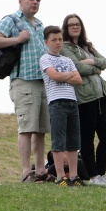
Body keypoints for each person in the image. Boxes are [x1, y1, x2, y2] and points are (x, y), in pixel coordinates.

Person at [0, 0, 51, 183]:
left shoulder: (40, 25)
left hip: (42, 82)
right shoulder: (12, 20)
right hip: (23, 81)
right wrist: (18, 39)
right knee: (26, 128)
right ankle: (26, 171)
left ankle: (40, 170)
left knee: (40, 129)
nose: (35, 2)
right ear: (20, 1)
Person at [61, 14, 106, 186]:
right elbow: (76, 67)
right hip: (84, 98)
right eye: (71, 25)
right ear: (66, 28)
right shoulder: (65, 47)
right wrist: (95, 69)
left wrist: (91, 61)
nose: (75, 27)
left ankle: (101, 173)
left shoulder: (87, 46)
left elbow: (104, 62)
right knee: (87, 137)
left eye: (77, 24)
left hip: (101, 96)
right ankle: (92, 175)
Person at [40, 26, 85, 187]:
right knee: (58, 141)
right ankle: (60, 176)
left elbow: (78, 79)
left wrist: (63, 76)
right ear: (47, 42)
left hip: (71, 101)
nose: (58, 43)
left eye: (60, 39)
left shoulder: (67, 60)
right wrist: (67, 76)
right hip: (56, 102)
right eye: (54, 40)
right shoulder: (45, 58)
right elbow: (54, 76)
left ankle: (74, 175)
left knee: (73, 141)